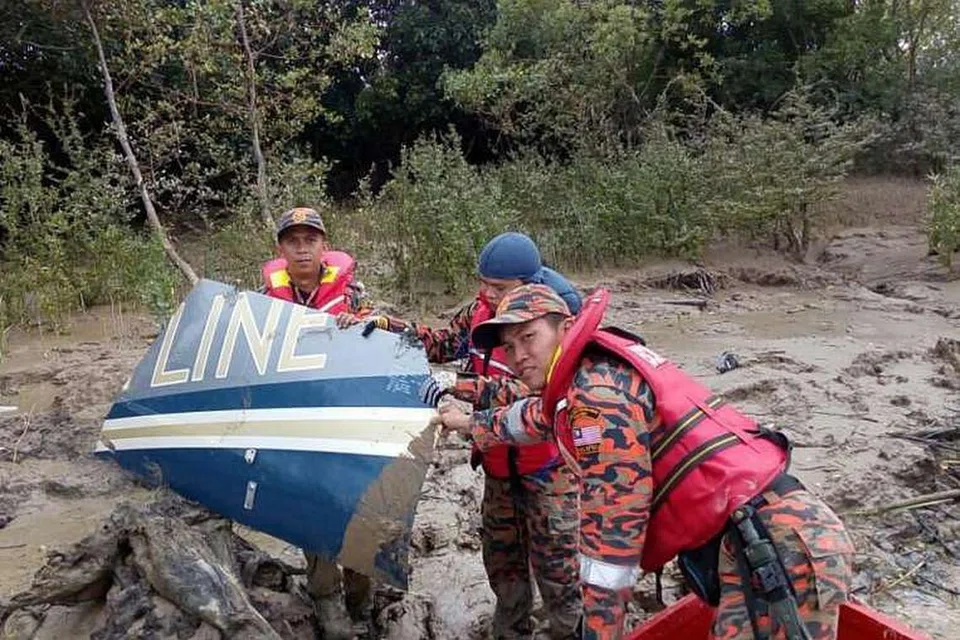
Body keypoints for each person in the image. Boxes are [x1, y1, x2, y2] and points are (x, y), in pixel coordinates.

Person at [436, 284, 855, 640]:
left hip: (776, 549)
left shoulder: (596, 400)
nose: (517, 355)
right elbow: (533, 418)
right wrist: (469, 422)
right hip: (761, 537)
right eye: (508, 347)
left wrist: (599, 631)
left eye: (528, 338)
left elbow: (612, 539)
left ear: (565, 328)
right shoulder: (586, 377)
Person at [362, 232, 584, 638]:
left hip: (548, 473)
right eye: (482, 283)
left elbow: (534, 397)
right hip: (498, 468)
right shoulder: (481, 312)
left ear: (529, 284)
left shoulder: (552, 330)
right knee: (503, 567)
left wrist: (454, 386)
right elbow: (445, 342)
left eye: (498, 287)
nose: (487, 293)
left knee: (559, 574)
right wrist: (389, 327)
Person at [260, 206, 371, 639]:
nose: (302, 247)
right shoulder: (262, 301)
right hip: (297, 424)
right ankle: (326, 597)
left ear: (325, 245)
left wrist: (359, 326)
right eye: (293, 240)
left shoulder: (355, 294)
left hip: (347, 421)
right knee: (312, 507)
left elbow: (381, 342)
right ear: (281, 249)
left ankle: (362, 593)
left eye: (310, 239)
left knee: (358, 506)